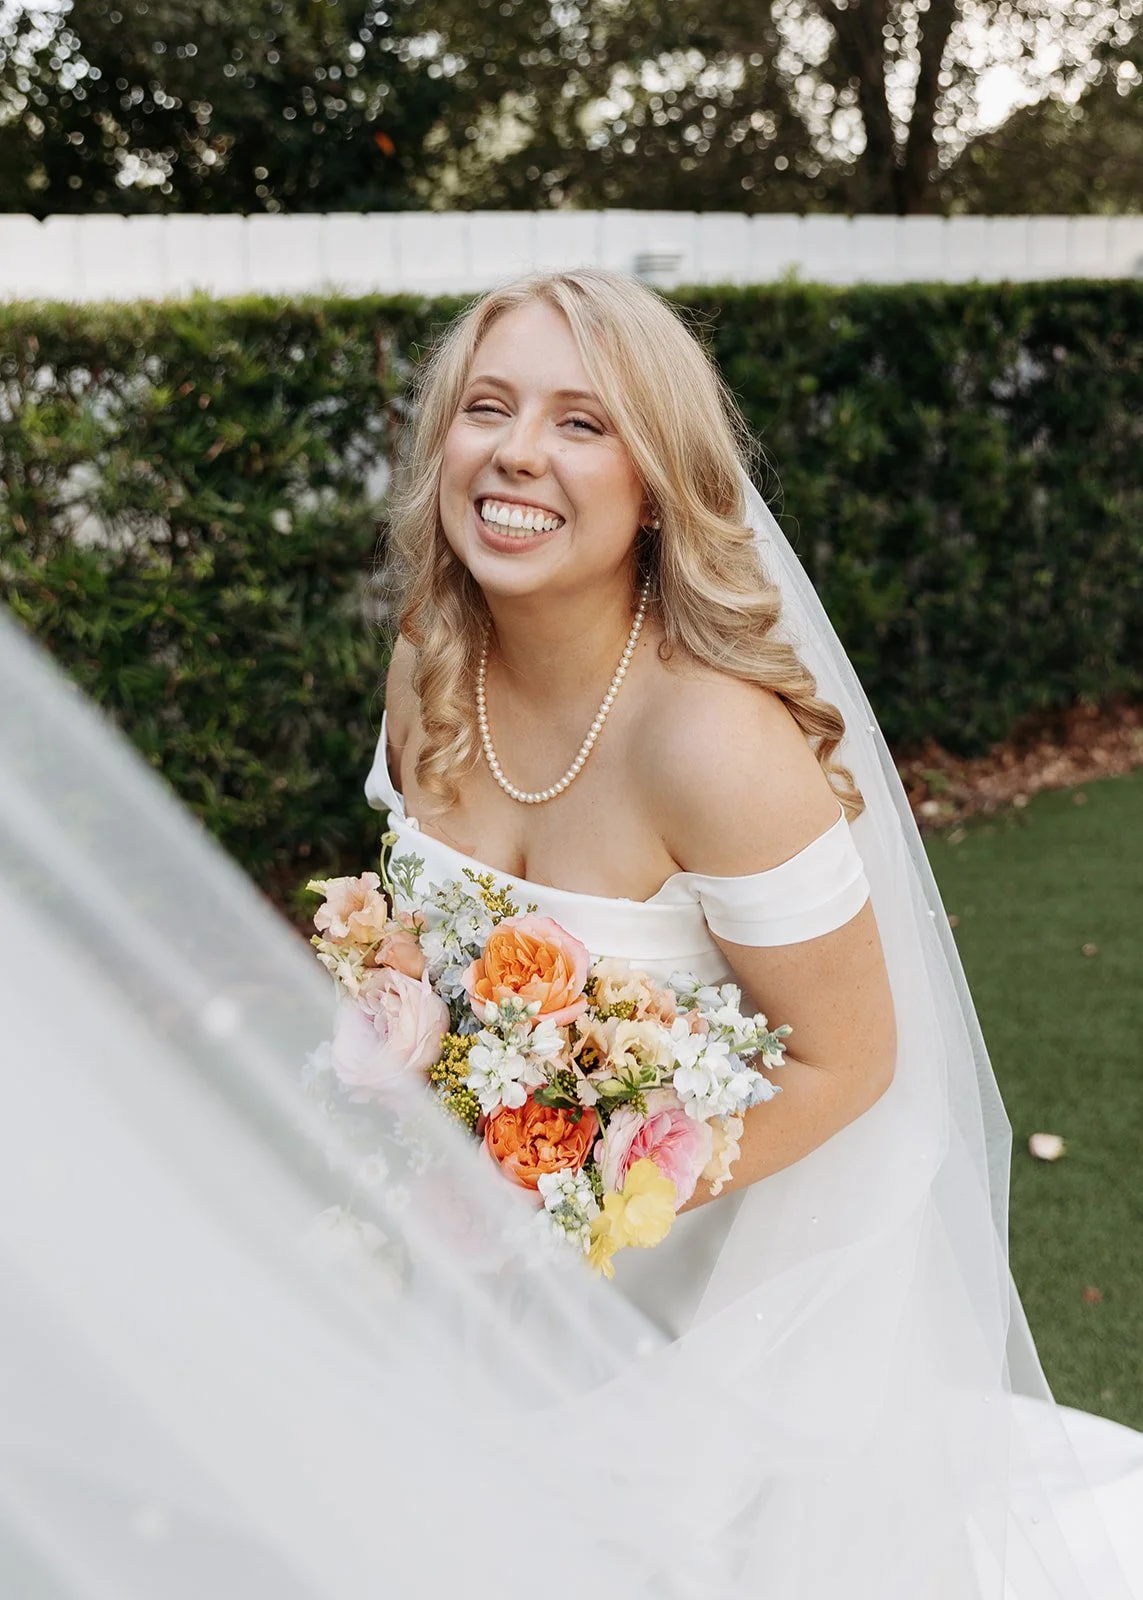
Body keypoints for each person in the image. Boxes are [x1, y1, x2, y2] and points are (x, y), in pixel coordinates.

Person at [364, 266, 1143, 1594]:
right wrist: (393, 1055)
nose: (514, 452)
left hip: (714, 1308)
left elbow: (848, 1064)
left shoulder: (714, 741)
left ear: (657, 479)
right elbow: (406, 924)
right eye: (485, 407)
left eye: (580, 422)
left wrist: (584, 1196)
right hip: (476, 1276)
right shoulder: (434, 667)